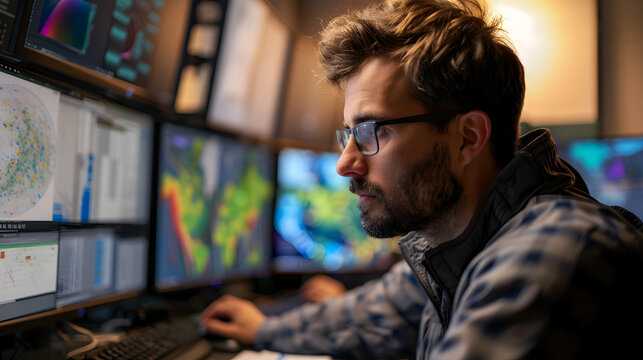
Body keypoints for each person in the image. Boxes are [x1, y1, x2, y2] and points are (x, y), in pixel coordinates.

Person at [200, 0, 643, 358]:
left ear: (467, 138)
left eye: (372, 131)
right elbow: (375, 314)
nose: (345, 163)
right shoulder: (459, 242)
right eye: (348, 134)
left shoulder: (554, 251)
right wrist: (264, 328)